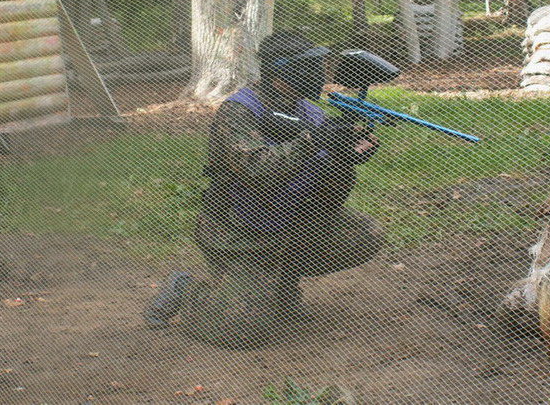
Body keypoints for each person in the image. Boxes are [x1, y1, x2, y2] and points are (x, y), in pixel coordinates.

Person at [145, 31, 384, 349]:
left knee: (364, 234)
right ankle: (186, 289)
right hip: (239, 233)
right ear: (280, 71)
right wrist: (312, 141)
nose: (318, 74)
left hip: (287, 224)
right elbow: (256, 170)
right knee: (241, 331)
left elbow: (327, 196)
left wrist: (345, 158)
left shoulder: (308, 111)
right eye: (308, 67)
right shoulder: (240, 110)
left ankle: (280, 289)